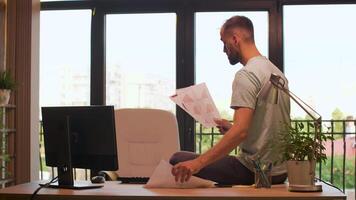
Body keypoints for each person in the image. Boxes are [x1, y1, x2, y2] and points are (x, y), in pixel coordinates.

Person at [170, 15, 290, 185]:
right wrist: (232, 127)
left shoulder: (246, 75)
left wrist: (196, 164)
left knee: (177, 158)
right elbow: (265, 124)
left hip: (254, 171)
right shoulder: (276, 73)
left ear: (234, 39)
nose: (224, 50)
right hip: (280, 172)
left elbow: (241, 132)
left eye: (223, 42)